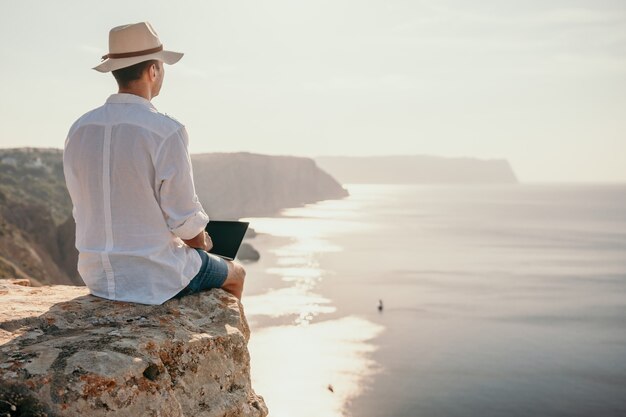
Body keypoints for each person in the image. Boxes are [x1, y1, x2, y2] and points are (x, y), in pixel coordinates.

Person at [63, 22, 245, 305]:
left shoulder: (79, 129)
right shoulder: (165, 130)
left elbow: (80, 204)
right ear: (153, 70)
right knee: (237, 273)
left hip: (96, 275)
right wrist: (203, 242)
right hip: (154, 277)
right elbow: (185, 221)